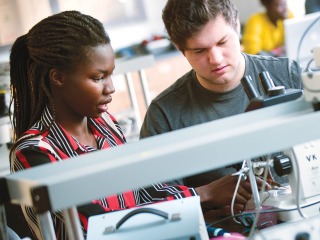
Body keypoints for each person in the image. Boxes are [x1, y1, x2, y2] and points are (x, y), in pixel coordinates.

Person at [9, 11, 201, 240]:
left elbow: (142, 191)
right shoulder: (33, 151)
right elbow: (96, 224)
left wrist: (203, 197)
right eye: (98, 78)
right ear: (58, 77)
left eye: (110, 76)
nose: (110, 88)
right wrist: (202, 197)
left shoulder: (105, 124)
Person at [140, 0, 302, 220]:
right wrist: (205, 196)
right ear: (181, 49)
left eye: (222, 42)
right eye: (199, 50)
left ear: (236, 26)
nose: (215, 59)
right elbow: (155, 209)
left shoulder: (290, 76)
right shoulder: (165, 114)